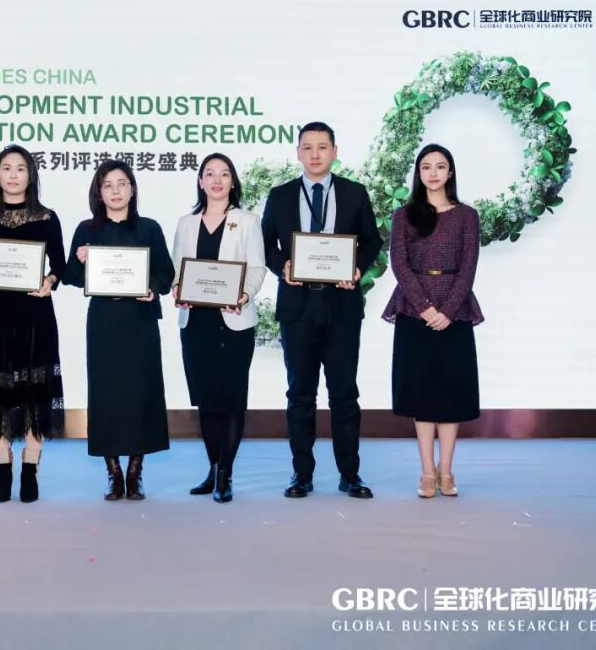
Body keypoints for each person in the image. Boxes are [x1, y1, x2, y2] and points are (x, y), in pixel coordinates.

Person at [261, 121, 383, 500]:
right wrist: (282, 265)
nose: (315, 154)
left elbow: (372, 240)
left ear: (334, 151)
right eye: (307, 147)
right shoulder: (280, 195)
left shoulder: (354, 193)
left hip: (342, 305)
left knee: (344, 394)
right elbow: (265, 243)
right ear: (297, 152)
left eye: (322, 147)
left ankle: (350, 474)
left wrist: (357, 268)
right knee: (300, 394)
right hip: (298, 307)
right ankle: (302, 474)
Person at [64, 159, 175, 501]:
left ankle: (135, 472)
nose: (115, 191)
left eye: (122, 183)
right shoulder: (87, 229)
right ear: (99, 192)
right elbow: (70, 276)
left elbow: (166, 274)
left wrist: (152, 288)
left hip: (140, 322)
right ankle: (113, 473)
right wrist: (81, 260)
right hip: (104, 322)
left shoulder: (149, 228)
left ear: (132, 189)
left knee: (142, 393)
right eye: (108, 185)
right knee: (106, 395)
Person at [0, 145, 66, 503]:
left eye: (20, 168)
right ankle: (2, 468)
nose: (12, 175)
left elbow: (60, 266)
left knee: (35, 393)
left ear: (31, 175)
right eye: (6, 168)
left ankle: (30, 468)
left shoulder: (47, 218)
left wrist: (50, 280)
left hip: (35, 317)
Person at [382, 144, 483, 498]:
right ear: (418, 173)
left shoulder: (467, 215)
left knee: (450, 394)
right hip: (413, 310)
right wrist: (425, 307)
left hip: (456, 312)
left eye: (440, 166)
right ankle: (427, 471)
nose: (433, 173)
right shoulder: (404, 215)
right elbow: (399, 264)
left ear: (450, 172)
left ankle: (447, 471)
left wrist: (448, 310)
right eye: (426, 167)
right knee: (422, 394)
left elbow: (468, 267)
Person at [170, 153, 266, 503]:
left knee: (232, 398)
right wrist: (177, 288)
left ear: (233, 182)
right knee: (207, 399)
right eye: (209, 174)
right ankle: (213, 468)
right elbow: (177, 269)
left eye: (224, 174)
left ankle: (226, 472)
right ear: (200, 181)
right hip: (196, 322)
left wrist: (244, 294)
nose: (216, 180)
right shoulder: (186, 223)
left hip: (234, 322)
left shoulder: (248, 221)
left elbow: (257, 268)